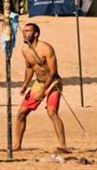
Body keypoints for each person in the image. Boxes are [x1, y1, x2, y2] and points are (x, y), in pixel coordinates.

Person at [14, 22, 68, 153]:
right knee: (21, 113)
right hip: (38, 83)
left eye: (28, 31)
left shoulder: (46, 48)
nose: (24, 33)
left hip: (53, 83)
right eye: (24, 30)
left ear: (36, 34)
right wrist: (25, 84)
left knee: (51, 112)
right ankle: (17, 145)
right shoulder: (25, 50)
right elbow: (29, 68)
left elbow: (53, 72)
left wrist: (44, 91)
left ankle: (63, 145)